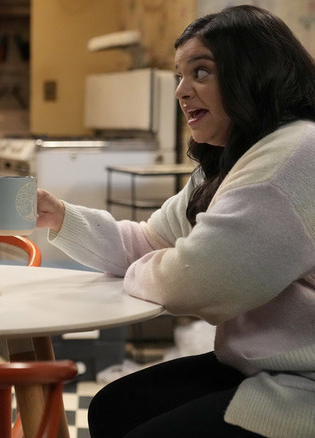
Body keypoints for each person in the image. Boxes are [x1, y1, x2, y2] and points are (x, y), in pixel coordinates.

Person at [35, 5, 315, 438]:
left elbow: (200, 280)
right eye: (179, 77)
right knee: (112, 407)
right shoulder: (231, 161)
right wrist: (63, 218)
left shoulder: (294, 155)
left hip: (302, 389)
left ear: (254, 74)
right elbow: (151, 241)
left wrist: (154, 268)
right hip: (262, 368)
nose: (182, 91)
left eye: (201, 72)